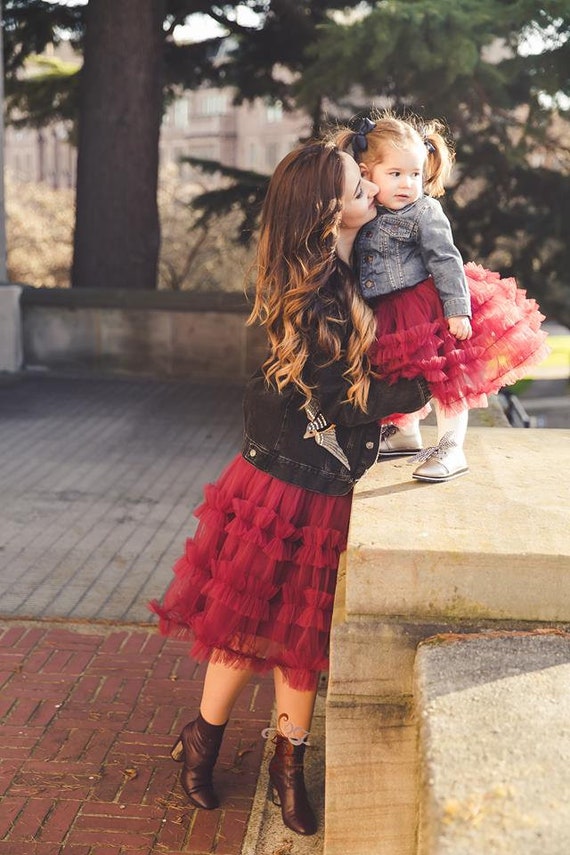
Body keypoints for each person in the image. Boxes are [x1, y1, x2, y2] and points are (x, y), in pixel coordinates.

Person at [148, 140, 431, 836]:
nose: (370, 188)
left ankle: (288, 768)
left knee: (300, 637)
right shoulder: (310, 287)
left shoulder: (360, 265)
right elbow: (344, 391)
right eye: (355, 185)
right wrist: (422, 389)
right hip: (277, 482)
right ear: (324, 209)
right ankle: (203, 738)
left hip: (328, 484)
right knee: (243, 628)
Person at [334, 112, 549, 482]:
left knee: (445, 378)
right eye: (396, 174)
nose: (408, 184)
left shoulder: (424, 211)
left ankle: (452, 447)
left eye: (415, 175)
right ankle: (405, 433)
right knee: (395, 375)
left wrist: (457, 309)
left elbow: (447, 260)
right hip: (386, 311)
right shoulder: (367, 210)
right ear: (368, 174)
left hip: (427, 306)